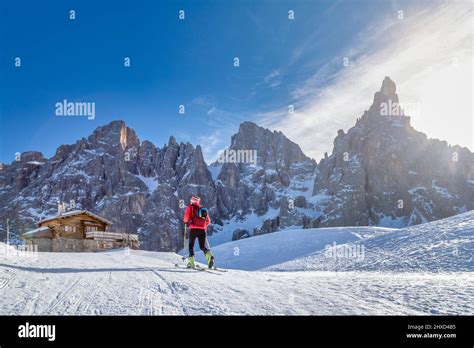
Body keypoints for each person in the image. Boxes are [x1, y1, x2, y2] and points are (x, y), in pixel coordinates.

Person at [183, 195, 214, 268]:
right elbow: (208, 221)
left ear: (192, 200)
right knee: (202, 246)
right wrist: (203, 226)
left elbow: (186, 218)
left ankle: (191, 263)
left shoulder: (190, 207)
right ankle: (209, 257)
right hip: (202, 230)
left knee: (191, 245)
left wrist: (186, 221)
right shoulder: (202, 208)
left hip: (193, 229)